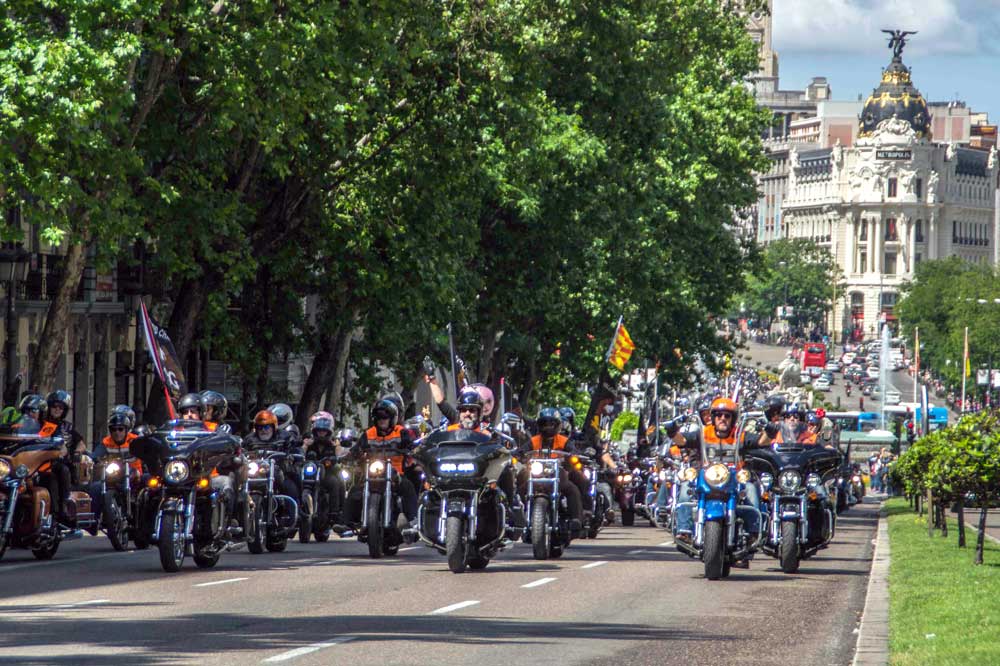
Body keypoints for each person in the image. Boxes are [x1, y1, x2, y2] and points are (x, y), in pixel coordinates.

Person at [673, 398, 761, 558]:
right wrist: (672, 432)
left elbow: (761, 441)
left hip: (734, 479)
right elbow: (683, 440)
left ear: (733, 419)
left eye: (727, 416)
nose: (722, 418)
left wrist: (769, 431)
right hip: (707, 477)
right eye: (719, 415)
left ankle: (752, 533)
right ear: (713, 418)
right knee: (686, 486)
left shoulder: (739, 434)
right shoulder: (703, 433)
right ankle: (684, 531)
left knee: (750, 488)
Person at [336, 399, 418, 535]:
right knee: (355, 490)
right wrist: (347, 456)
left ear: (392, 418)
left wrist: (412, 450)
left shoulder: (401, 432)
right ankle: (346, 523)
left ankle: (413, 521)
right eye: (379, 417)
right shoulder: (369, 433)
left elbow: (411, 445)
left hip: (395, 473)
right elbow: (356, 449)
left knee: (408, 487)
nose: (382, 420)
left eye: (385, 417)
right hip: (372, 474)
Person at [516, 406, 583, 535]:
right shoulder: (534, 440)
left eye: (551, 424)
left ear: (558, 425)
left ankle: (576, 518)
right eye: (544, 424)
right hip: (536, 472)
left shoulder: (563, 440)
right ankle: (518, 515)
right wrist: (517, 454)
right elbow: (522, 450)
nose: (547, 427)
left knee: (571, 488)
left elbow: (573, 450)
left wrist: (575, 454)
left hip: (558, 471)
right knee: (521, 485)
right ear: (539, 425)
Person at [86, 412, 141, 528]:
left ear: (126, 430)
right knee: (95, 487)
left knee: (150, 486)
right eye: (114, 429)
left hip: (133, 473)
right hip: (113, 474)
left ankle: (146, 522)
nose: (117, 432)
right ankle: (94, 521)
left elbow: (147, 450)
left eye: (120, 429)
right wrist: (90, 458)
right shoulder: (106, 442)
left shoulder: (135, 440)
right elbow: (97, 453)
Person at [242, 409, 301, 500]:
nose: (263, 430)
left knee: (291, 488)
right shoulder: (249, 439)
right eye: (260, 427)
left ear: (274, 427)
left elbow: (295, 447)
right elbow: (242, 450)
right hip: (256, 471)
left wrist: (291, 453)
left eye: (266, 427)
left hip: (279, 470)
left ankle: (295, 511)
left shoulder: (285, 436)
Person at [301, 411, 346, 522]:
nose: (321, 433)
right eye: (319, 430)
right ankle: (297, 511)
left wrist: (337, 450)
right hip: (309, 475)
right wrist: (305, 446)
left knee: (336, 482)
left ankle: (335, 513)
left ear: (328, 430)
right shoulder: (308, 440)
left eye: (324, 430)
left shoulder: (334, 442)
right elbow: (300, 455)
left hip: (327, 473)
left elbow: (340, 455)